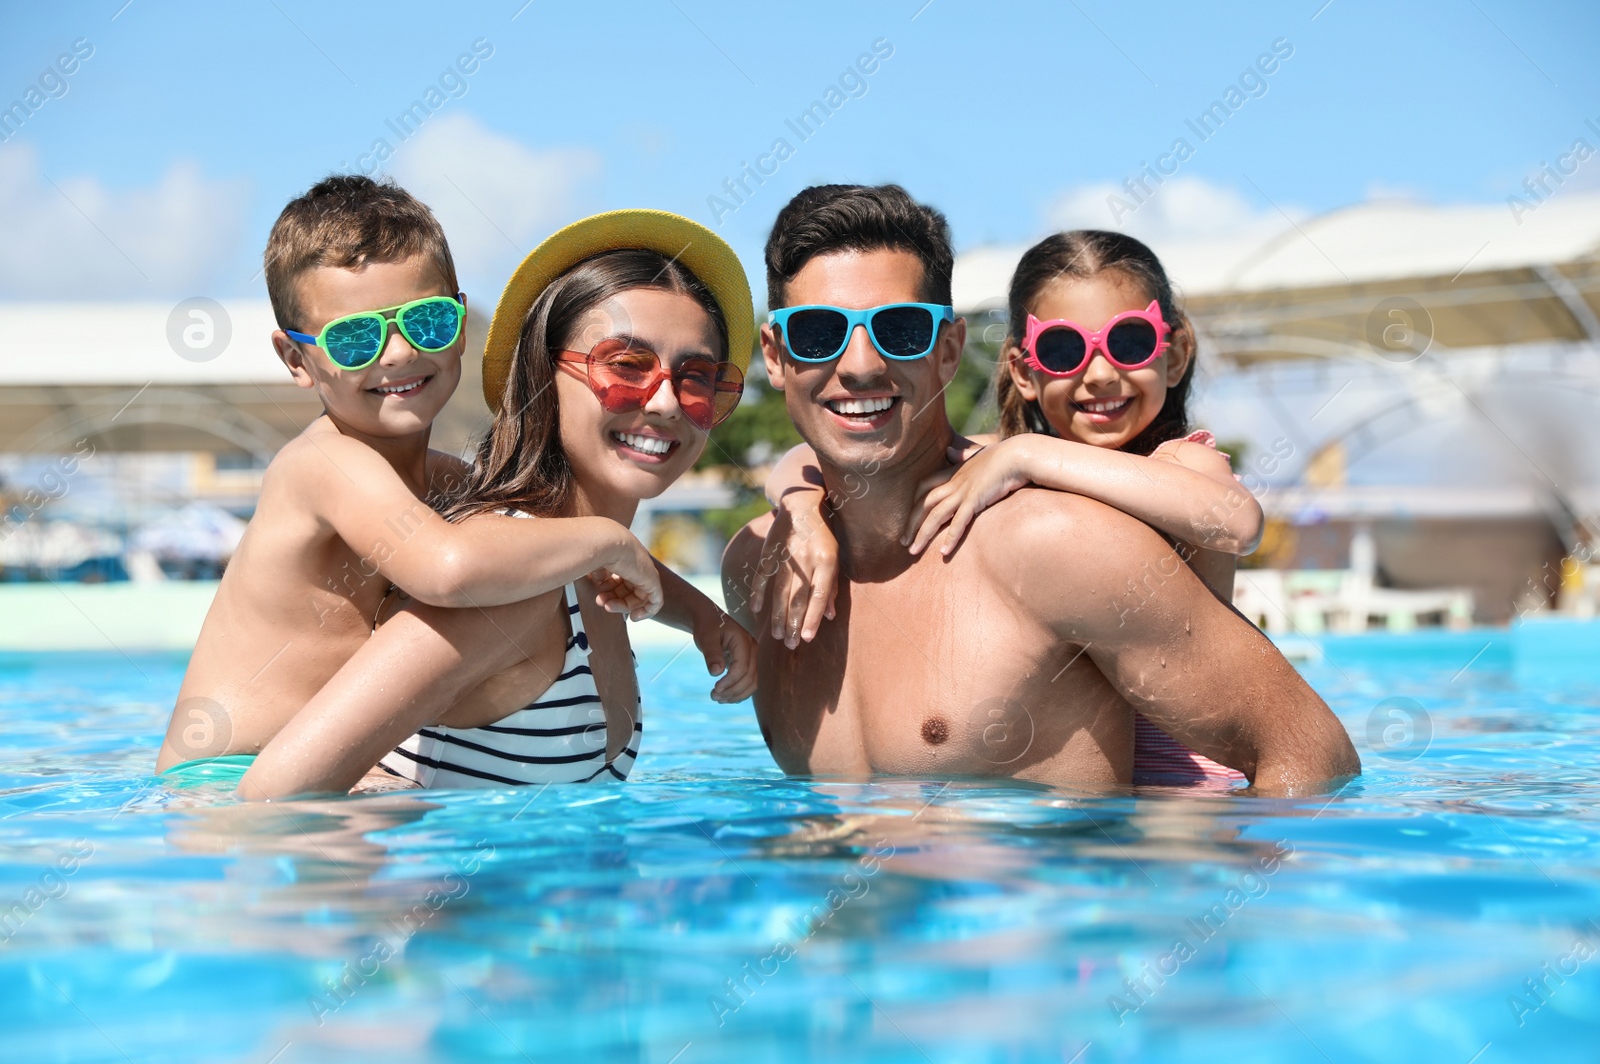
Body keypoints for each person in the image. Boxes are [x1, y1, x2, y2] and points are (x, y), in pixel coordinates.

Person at [720, 184, 1358, 794]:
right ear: (775, 356)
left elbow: (1311, 755)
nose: (860, 365)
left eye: (902, 329)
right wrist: (800, 507)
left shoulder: (1060, 543)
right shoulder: (756, 566)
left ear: (948, 351)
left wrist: (1198, 888)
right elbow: (805, 462)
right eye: (817, 333)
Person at [154, 179, 700, 786]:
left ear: (460, 323)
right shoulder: (326, 464)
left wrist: (705, 620)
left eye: (427, 321)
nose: (395, 352)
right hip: (221, 784)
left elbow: (564, 554)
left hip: (298, 772)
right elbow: (448, 568)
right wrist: (610, 540)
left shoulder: (441, 476)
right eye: (355, 338)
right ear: (296, 360)